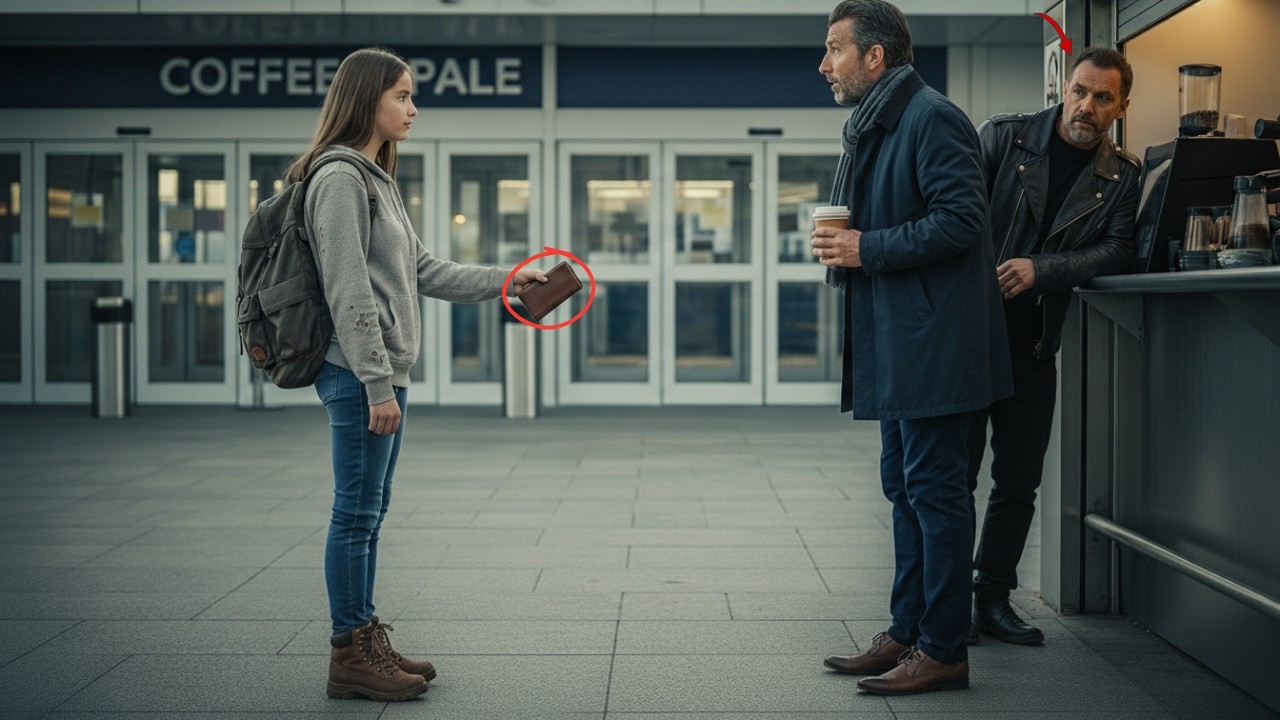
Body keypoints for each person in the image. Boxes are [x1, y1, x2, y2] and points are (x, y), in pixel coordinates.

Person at [288, 47, 547, 702]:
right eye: (402, 96)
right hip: (357, 374)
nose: (413, 109)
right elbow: (347, 288)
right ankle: (350, 653)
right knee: (355, 513)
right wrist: (377, 384)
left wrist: (511, 279)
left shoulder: (376, 179)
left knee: (369, 512)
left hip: (378, 373)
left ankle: (364, 636)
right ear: (365, 99)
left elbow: (425, 270)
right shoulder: (340, 179)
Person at [814, 0, 1012, 696]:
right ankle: (908, 630)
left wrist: (864, 247)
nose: (824, 64)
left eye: (835, 49)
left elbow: (962, 221)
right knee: (904, 488)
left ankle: (944, 648)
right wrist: (852, 246)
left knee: (935, 494)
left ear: (876, 57)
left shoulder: (932, 118)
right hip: (902, 342)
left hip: (936, 346)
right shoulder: (879, 125)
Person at [966, 47, 1139, 646]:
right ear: (1063, 89)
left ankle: (992, 598)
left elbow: (1117, 250)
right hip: (970, 340)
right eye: (1079, 91)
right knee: (954, 479)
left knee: (1018, 484)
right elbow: (957, 217)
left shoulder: (1123, 176)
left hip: (1035, 347)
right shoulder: (1003, 137)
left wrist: (1042, 269)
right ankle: (945, 604)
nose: (1086, 106)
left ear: (1121, 107)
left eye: (1102, 98)